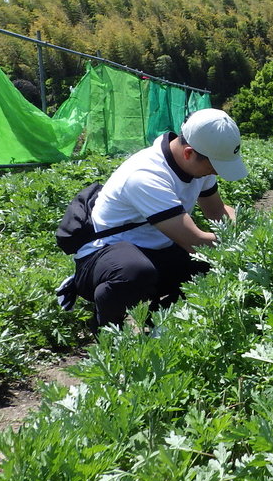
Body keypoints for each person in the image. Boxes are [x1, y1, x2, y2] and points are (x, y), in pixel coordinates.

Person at [71, 108, 248, 331]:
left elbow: (217, 211)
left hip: (155, 248)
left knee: (209, 268)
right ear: (188, 153)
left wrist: (243, 225)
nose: (217, 173)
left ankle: (157, 316)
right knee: (136, 273)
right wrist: (242, 244)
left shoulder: (199, 166)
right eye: (214, 166)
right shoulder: (146, 176)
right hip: (103, 259)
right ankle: (108, 330)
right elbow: (195, 242)